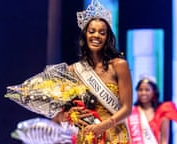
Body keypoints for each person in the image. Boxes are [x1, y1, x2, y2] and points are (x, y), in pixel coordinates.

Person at [53, 0, 133, 143]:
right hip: (88, 136)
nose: (96, 35)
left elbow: (127, 108)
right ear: (85, 35)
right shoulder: (73, 70)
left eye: (102, 33)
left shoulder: (119, 65)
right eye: (92, 31)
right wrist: (70, 115)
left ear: (107, 38)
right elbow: (57, 115)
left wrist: (104, 125)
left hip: (115, 136)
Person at [126, 76, 177, 144]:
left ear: (154, 92)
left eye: (147, 90)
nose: (143, 93)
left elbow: (164, 140)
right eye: (140, 90)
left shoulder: (162, 112)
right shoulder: (132, 112)